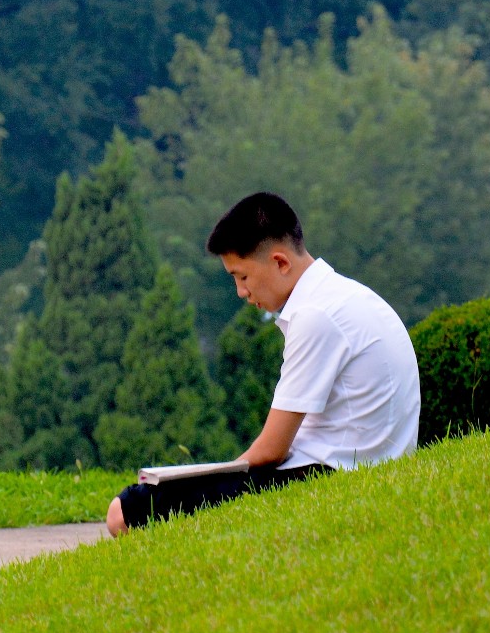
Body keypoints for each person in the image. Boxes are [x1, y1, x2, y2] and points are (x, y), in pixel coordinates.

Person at [105, 191, 420, 536]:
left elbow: (270, 450)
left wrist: (208, 481)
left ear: (280, 263)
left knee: (128, 509)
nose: (241, 292)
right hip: (358, 467)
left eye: (242, 277)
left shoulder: (315, 316)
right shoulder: (347, 296)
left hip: (329, 476)